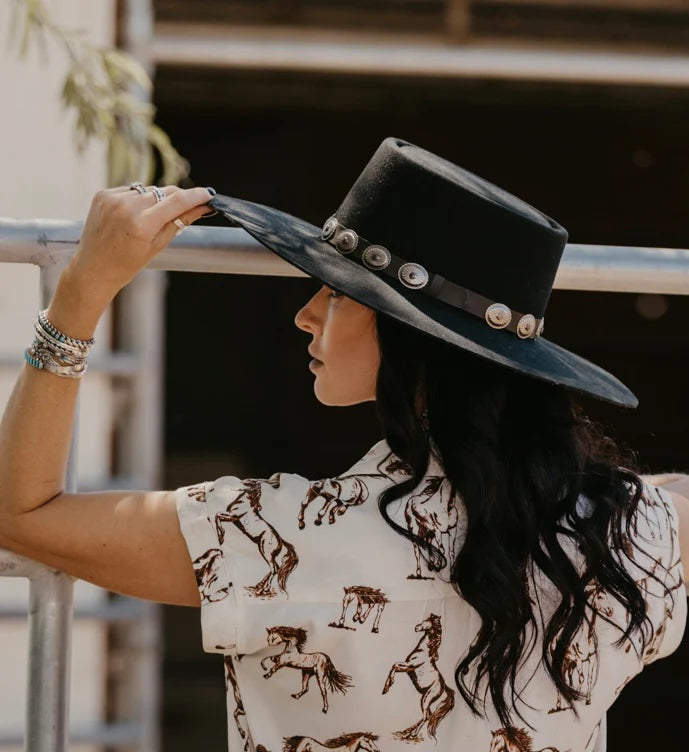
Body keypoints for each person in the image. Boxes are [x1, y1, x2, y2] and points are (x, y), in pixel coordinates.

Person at [0, 137, 687, 752]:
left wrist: (79, 297)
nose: (303, 314)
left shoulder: (282, 538)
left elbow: (19, 512)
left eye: (335, 293)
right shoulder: (631, 535)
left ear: (413, 337)